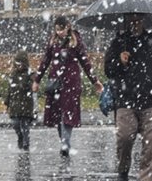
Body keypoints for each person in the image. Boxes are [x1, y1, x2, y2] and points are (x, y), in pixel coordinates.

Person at [104, 13, 152, 181]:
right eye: (131, 21)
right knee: (125, 137)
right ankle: (123, 168)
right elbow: (108, 70)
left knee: (151, 143)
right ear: (126, 22)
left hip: (151, 99)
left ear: (143, 21)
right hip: (126, 99)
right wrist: (120, 61)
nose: (135, 24)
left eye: (138, 20)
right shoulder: (118, 43)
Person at [33, 16, 104, 156]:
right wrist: (37, 80)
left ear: (68, 27)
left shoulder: (75, 40)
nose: (59, 32)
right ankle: (64, 141)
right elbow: (45, 61)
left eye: (61, 29)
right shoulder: (53, 41)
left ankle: (65, 143)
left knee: (68, 113)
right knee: (58, 114)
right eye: (57, 30)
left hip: (72, 82)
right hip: (55, 82)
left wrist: (95, 81)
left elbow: (85, 62)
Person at [4, 49, 35, 151]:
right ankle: (20, 137)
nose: (19, 67)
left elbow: (32, 85)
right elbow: (9, 90)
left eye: (21, 65)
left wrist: (29, 85)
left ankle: (26, 142)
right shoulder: (13, 75)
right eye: (18, 65)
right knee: (15, 124)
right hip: (15, 104)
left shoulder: (30, 74)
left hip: (26, 104)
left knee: (25, 125)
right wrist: (6, 103)